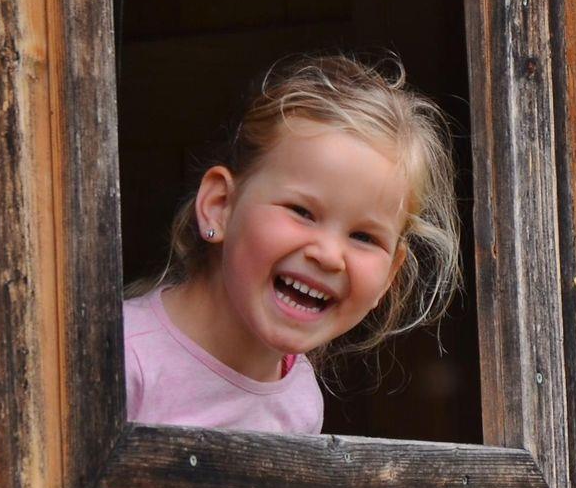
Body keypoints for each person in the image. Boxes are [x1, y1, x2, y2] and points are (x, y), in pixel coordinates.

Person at [124, 54, 461, 433]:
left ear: (389, 276)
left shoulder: (300, 401)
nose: (329, 256)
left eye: (364, 237)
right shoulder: (121, 359)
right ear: (219, 206)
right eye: (302, 212)